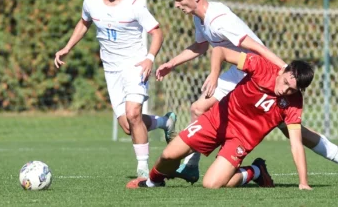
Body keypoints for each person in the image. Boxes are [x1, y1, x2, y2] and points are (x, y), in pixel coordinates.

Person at [155, 0, 338, 187]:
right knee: (200, 109)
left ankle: (194, 165)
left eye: (180, 0)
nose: (177, 5)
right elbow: (201, 46)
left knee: (288, 129)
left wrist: (282, 68)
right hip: (240, 72)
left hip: (253, 74)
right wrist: (172, 63)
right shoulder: (201, 19)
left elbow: (257, 47)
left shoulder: (219, 20)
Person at [54, 0, 177, 178]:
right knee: (129, 126)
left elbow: (156, 32)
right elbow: (84, 23)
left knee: (133, 113)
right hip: (111, 70)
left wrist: (149, 58)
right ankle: (165, 122)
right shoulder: (90, 1)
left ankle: (143, 170)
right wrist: (67, 47)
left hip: (135, 65)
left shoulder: (134, 5)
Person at [127, 47, 314, 190]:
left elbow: (296, 143)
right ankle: (152, 182)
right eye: (286, 83)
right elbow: (220, 50)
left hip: (241, 139)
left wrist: (303, 182)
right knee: (169, 155)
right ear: (283, 71)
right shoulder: (261, 66)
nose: (285, 90)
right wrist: (214, 74)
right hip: (217, 120)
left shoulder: (294, 102)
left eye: (292, 89)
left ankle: (255, 171)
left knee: (212, 184)